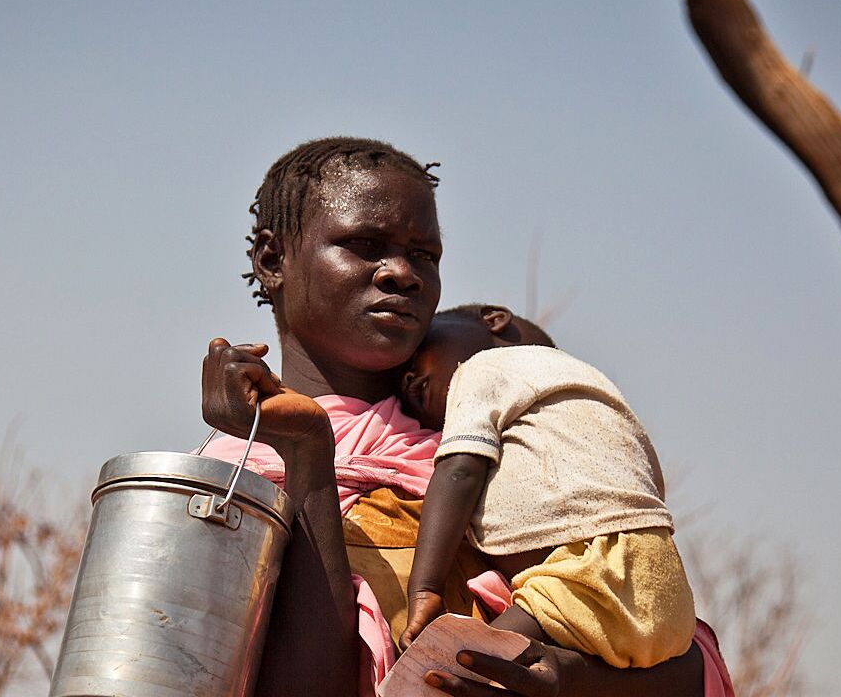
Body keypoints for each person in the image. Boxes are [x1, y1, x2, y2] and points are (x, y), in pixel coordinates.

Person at [197, 136, 732, 697]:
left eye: (424, 255)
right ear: (271, 259)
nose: (402, 273)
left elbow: (676, 643)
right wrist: (307, 450)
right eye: (364, 244)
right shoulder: (225, 484)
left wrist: (571, 678)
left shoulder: (501, 454)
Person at [397, 304, 696, 671]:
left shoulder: (486, 366)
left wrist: (426, 588)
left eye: (418, 352)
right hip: (663, 590)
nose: (409, 380)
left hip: (588, 572)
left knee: (453, 669)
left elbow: (460, 471)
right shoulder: (595, 391)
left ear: (493, 320)